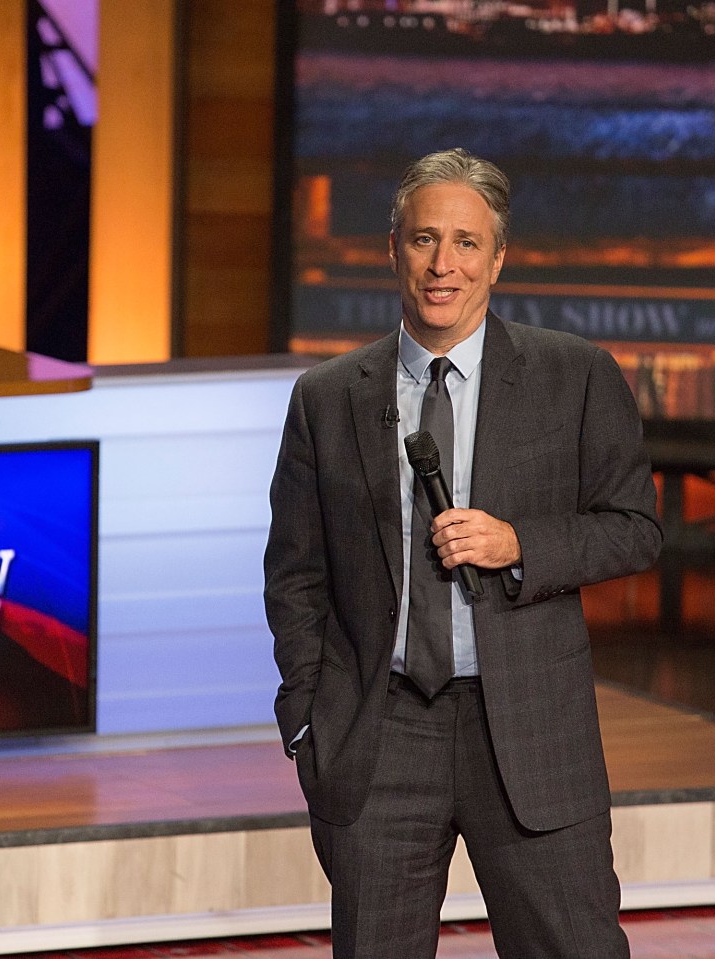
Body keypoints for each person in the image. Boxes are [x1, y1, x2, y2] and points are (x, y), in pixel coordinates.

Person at [264, 148, 662, 959]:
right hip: (380, 734)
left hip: (528, 729)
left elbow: (634, 527)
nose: (443, 264)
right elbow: (295, 575)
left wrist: (519, 543)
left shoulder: (575, 376)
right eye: (424, 240)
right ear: (394, 249)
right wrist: (308, 720)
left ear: (498, 257)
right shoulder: (328, 398)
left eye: (466, 242)